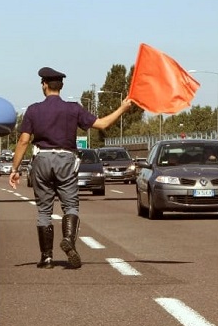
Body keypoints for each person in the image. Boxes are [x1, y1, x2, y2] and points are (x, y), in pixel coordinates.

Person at [9, 67, 132, 269]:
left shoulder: (33, 110)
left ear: (44, 85)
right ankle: (68, 239)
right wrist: (122, 109)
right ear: (62, 86)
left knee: (44, 210)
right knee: (71, 206)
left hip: (42, 159)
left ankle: (46, 258)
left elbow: (23, 141)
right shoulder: (73, 109)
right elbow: (101, 124)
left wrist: (15, 169)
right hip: (66, 160)